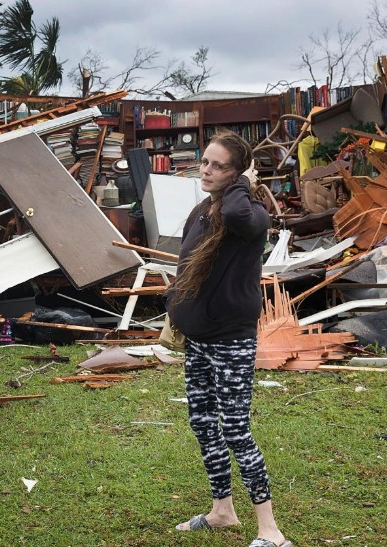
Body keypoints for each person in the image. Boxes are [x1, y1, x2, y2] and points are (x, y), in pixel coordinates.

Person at [166, 130, 290, 547]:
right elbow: (186, 260)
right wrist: (175, 305)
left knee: (236, 428)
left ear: (238, 173)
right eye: (204, 162)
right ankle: (223, 510)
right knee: (202, 422)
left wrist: (245, 183)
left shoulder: (251, 215)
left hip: (231, 340)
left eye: (218, 166)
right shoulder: (205, 209)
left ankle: (270, 530)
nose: (206, 170)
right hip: (200, 338)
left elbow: (238, 215)